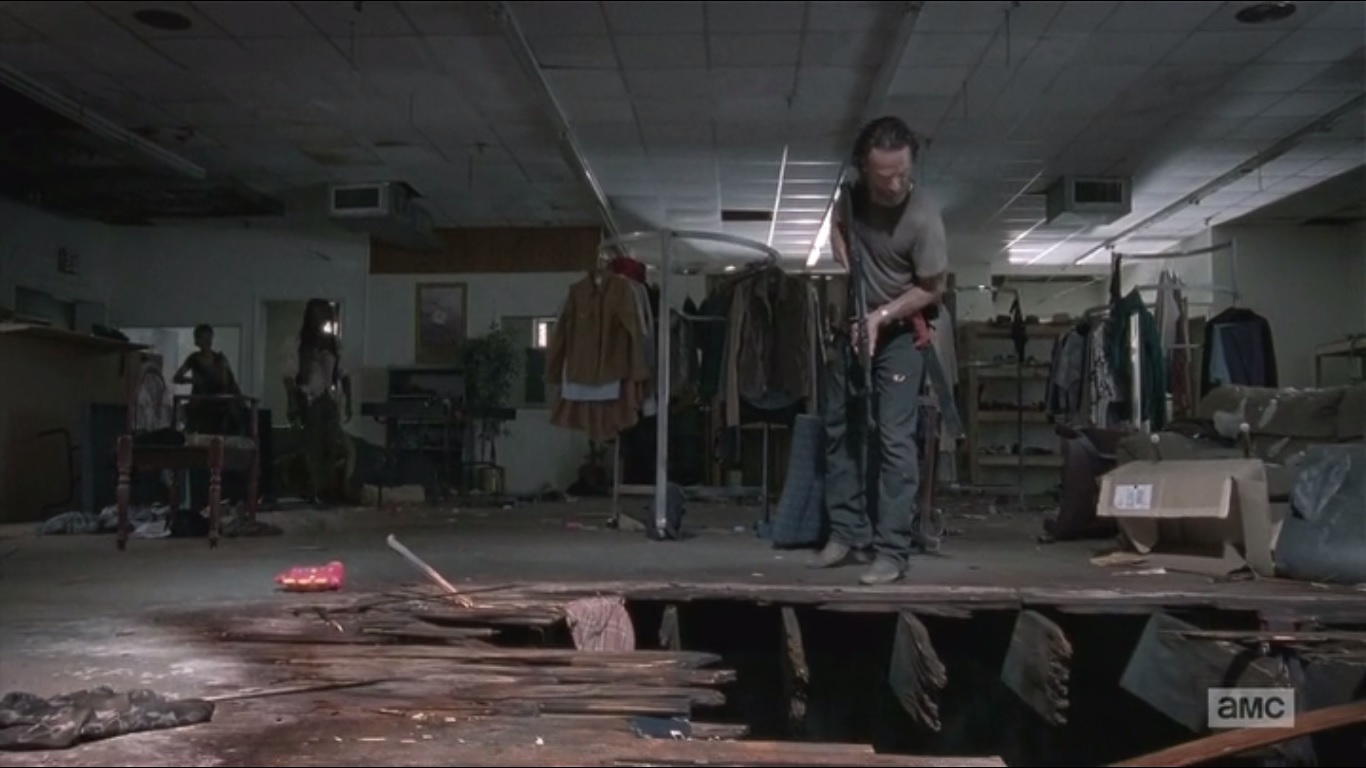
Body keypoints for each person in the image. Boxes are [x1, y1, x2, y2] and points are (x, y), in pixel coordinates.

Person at [809, 116, 949, 585]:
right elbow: (838, 226)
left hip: (902, 333)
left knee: (894, 439)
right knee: (839, 428)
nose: (893, 185)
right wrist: (847, 262)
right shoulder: (850, 198)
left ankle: (892, 551)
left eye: (902, 175)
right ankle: (847, 531)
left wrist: (881, 316)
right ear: (864, 170)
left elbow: (932, 288)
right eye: (883, 176)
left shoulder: (924, 218)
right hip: (854, 326)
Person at [281, 299, 353, 505]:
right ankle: (317, 490)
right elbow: (289, 378)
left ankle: (330, 489)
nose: (321, 318)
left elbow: (344, 375)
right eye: (317, 314)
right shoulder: (297, 343)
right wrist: (292, 403)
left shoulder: (334, 344)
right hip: (308, 399)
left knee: (332, 446)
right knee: (312, 446)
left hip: (329, 400)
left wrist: (349, 401)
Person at [173, 324, 241, 433]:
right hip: (199, 406)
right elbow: (177, 378)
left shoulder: (220, 360)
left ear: (209, 339)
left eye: (199, 337)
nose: (196, 340)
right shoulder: (194, 358)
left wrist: (223, 370)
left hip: (218, 407)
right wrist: (193, 381)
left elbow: (228, 384)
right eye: (196, 337)